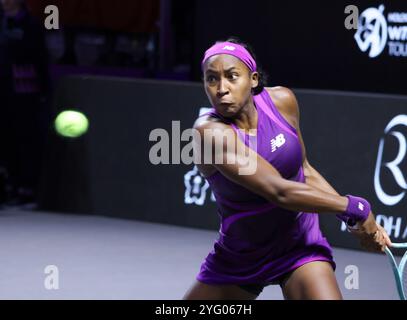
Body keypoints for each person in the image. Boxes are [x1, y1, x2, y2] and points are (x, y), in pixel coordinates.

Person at [183, 37, 392, 300]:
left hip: (298, 245)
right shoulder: (209, 132)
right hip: (240, 257)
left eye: (232, 76)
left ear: (254, 79)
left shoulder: (283, 101)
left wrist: (351, 219)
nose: (221, 88)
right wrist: (356, 208)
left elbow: (304, 171)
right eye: (212, 79)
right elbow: (279, 191)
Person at [0, 0, 50, 207]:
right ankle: (8, 187)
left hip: (23, 92)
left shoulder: (31, 25)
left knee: (25, 139)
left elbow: (40, 58)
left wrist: (45, 90)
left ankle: (27, 189)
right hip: (1, 91)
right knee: (5, 139)